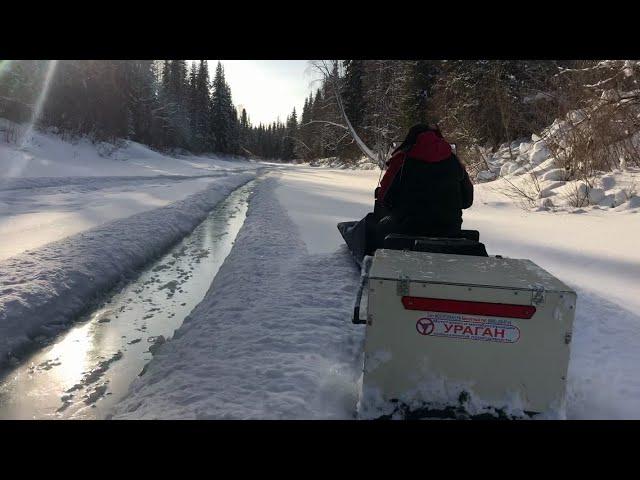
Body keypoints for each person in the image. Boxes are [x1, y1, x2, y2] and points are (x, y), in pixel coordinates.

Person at [373, 124, 474, 248]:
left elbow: (387, 199)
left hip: (408, 230)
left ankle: (373, 260)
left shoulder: (404, 160)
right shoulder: (454, 161)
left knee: (378, 228)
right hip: (449, 231)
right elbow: (467, 201)